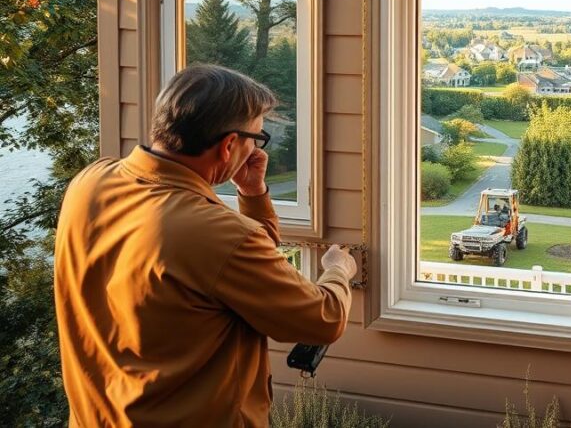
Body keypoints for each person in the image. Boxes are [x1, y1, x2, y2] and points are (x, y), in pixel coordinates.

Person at [54, 65, 359, 426]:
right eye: (256, 140)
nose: (256, 149)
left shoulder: (90, 182)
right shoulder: (216, 233)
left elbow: (243, 266)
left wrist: (252, 192)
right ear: (230, 144)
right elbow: (323, 320)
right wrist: (339, 269)